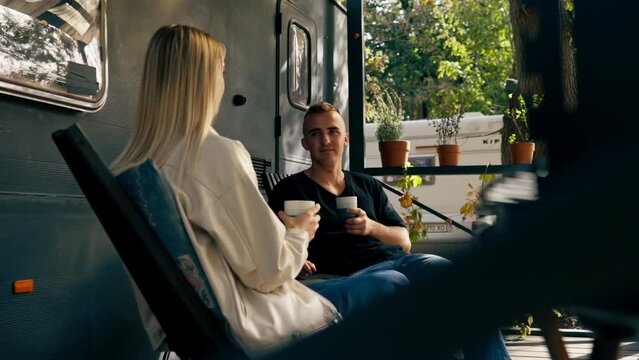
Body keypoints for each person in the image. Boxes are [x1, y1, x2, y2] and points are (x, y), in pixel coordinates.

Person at [110, 26, 408, 356]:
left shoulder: (131, 168)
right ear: (205, 81)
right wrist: (299, 233)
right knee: (393, 285)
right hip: (260, 325)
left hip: (200, 331)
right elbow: (270, 271)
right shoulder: (212, 154)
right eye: (221, 72)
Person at [268, 101, 511, 360]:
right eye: (315, 134)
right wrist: (297, 256)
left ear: (346, 138)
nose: (325, 139)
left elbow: (404, 240)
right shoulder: (290, 190)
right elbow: (272, 244)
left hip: (401, 262)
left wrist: (371, 227)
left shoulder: (366, 184)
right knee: (397, 286)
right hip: (351, 277)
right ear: (305, 142)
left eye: (333, 131)